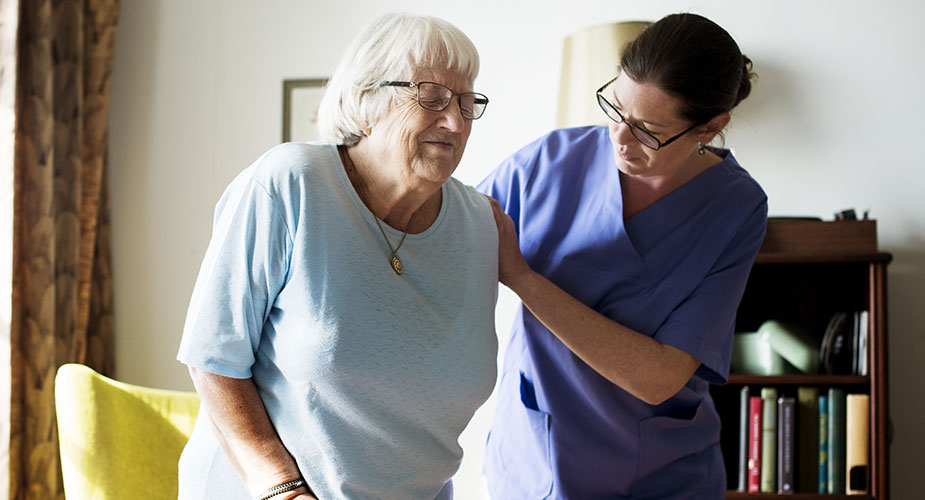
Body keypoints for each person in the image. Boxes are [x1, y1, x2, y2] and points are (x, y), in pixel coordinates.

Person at [176, 13, 497, 500]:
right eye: (431, 96)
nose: (454, 121)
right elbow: (213, 357)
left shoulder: (480, 222)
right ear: (368, 101)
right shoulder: (291, 184)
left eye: (466, 102)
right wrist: (280, 489)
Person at [478, 13, 766, 499]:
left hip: (664, 475)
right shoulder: (548, 161)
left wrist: (524, 280)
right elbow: (439, 243)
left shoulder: (737, 207)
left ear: (711, 128)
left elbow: (659, 377)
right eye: (616, 108)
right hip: (535, 456)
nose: (620, 138)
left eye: (649, 131)